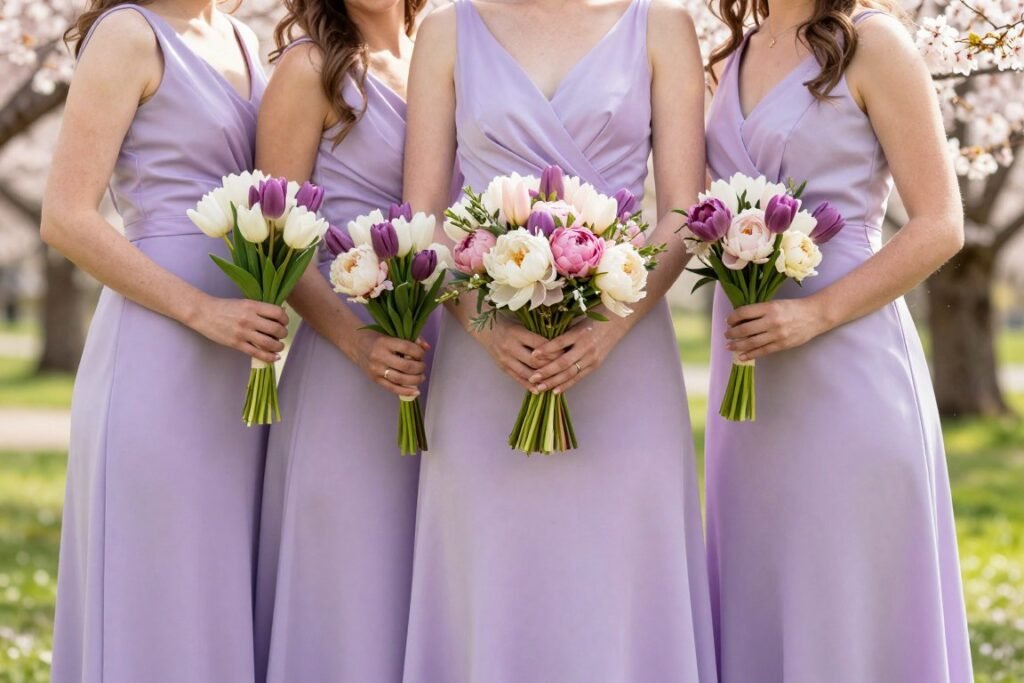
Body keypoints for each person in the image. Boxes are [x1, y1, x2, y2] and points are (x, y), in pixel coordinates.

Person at [400, 0, 717, 680]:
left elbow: (682, 212)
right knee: (490, 571)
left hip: (623, 353)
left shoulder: (663, 26)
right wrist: (486, 334)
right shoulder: (445, 32)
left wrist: (611, 324)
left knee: (618, 573)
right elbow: (422, 219)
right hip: (485, 355)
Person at [703, 2, 973, 681]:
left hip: (850, 364)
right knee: (764, 582)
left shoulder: (874, 43)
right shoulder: (732, 51)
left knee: (847, 594)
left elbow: (940, 223)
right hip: (752, 384)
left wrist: (816, 314)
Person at [42, 0, 284, 680]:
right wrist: (202, 311)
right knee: (155, 579)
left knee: (214, 580)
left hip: (239, 357)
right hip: (160, 347)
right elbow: (64, 216)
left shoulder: (239, 35)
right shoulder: (128, 34)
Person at [251, 0, 433, 680]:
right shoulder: (308, 72)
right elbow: (276, 246)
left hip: (446, 356)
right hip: (345, 363)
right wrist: (361, 345)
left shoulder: (451, 51)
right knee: (349, 578)